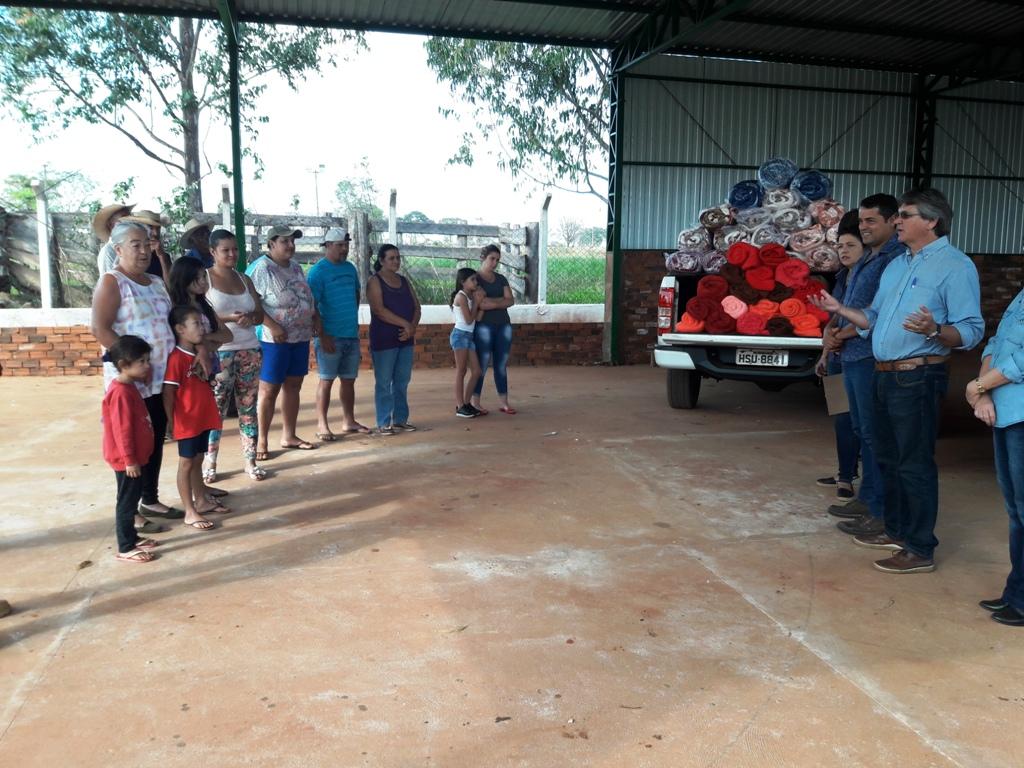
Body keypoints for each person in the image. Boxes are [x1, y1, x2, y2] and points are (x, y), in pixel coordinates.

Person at [810, 188, 984, 573]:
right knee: (887, 457)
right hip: (883, 373)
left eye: (905, 215)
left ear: (932, 221)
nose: (898, 221)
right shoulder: (898, 265)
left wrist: (936, 329)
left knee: (914, 463)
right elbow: (873, 317)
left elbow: (971, 330)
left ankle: (920, 548)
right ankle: (896, 529)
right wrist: (839, 309)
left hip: (918, 376)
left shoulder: (956, 266)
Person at [820, 203, 902, 538]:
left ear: (891, 222)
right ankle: (869, 500)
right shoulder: (866, 262)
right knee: (861, 428)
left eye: (871, 222)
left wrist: (843, 333)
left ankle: (878, 507)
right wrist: (833, 334)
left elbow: (879, 313)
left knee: (873, 434)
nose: (865, 228)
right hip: (851, 356)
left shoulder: (891, 261)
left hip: (868, 356)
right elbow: (850, 309)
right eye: (862, 223)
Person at [91, 221, 179, 534]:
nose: (144, 251)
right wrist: (132, 366)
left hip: (158, 379)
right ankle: (131, 515)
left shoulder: (155, 281)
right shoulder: (112, 282)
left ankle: (149, 498)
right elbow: (101, 329)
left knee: (153, 441)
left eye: (147, 243)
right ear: (118, 249)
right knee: (129, 446)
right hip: (131, 382)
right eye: (135, 245)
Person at [968, 284, 1024, 626]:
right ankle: (1015, 594)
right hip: (1005, 412)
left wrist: (981, 386)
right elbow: (995, 345)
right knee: (1015, 511)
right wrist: (982, 392)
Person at [246, 225, 317, 458]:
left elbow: (305, 297)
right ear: (271, 244)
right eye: (284, 241)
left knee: (293, 386)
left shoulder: (296, 267)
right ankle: (262, 441)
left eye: (292, 241)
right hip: (273, 340)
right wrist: (272, 325)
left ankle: (289, 435)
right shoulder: (261, 268)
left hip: (300, 337)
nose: (290, 245)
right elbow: (251, 303)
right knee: (269, 389)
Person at [203, 229, 267, 482]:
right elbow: (198, 316)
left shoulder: (244, 279)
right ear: (213, 252)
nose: (232, 254)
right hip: (220, 353)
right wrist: (227, 319)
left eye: (235, 249)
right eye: (225, 250)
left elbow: (260, 314)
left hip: (250, 349)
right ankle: (210, 462)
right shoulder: (204, 279)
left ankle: (250, 460)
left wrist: (250, 318)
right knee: (215, 410)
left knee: (248, 406)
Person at [163, 305, 227, 531]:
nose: (202, 328)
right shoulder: (176, 359)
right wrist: (171, 422)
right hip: (187, 420)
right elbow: (169, 394)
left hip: (203, 416)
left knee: (198, 458)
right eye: (197, 324)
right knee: (186, 463)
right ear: (180, 329)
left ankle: (201, 500)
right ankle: (189, 511)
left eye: (202, 323)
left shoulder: (202, 354)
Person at [102, 335, 161, 563]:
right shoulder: (120, 393)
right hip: (127, 460)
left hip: (135, 457)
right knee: (126, 503)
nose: (147, 366)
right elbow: (122, 430)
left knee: (132, 498)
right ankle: (126, 546)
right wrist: (130, 460)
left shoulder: (129, 386)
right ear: (124, 365)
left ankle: (133, 538)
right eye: (142, 362)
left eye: (147, 360)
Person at [308, 227, 370, 440]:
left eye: (346, 245)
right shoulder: (318, 272)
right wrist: (322, 334)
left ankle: (348, 420)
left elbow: (356, 294)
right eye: (340, 245)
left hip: (350, 334)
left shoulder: (350, 268)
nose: (344, 249)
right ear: (328, 246)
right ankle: (322, 424)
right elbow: (312, 306)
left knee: (348, 380)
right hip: (330, 336)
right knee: (326, 380)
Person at [367, 244, 421, 434]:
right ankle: (383, 422)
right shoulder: (375, 281)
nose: (396, 261)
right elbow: (379, 310)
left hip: (405, 339)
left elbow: (417, 307)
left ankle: (400, 419)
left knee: (402, 381)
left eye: (398, 258)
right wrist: (405, 324)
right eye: (391, 258)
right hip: (384, 340)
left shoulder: (404, 281)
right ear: (381, 261)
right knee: (383, 382)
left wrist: (411, 327)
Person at [470, 244, 516, 415]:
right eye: (492, 259)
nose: (495, 263)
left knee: (501, 364)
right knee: (480, 364)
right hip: (483, 326)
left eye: (497, 260)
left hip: (503, 325)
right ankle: (475, 403)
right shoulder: (475, 279)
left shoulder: (501, 278)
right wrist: (499, 302)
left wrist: (493, 303)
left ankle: (504, 402)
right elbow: (481, 303)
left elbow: (510, 301)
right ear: (483, 257)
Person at [449, 267, 484, 418]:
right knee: (461, 371)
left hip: (469, 336)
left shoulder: (470, 296)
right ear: (463, 282)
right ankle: (460, 405)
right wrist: (476, 302)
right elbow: (469, 319)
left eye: (476, 279)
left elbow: (478, 319)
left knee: (477, 371)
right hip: (460, 335)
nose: (476, 282)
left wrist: (480, 302)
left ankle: (467, 403)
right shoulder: (461, 296)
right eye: (473, 279)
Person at [123, 210, 172, 279]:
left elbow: (171, 286)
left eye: (158, 228)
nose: (155, 233)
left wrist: (162, 256)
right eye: (150, 228)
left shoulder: (164, 256)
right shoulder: (129, 254)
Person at [93, 202, 134, 278]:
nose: (129, 222)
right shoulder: (108, 252)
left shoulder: (132, 247)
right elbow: (112, 283)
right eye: (123, 219)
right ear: (111, 225)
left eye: (130, 218)